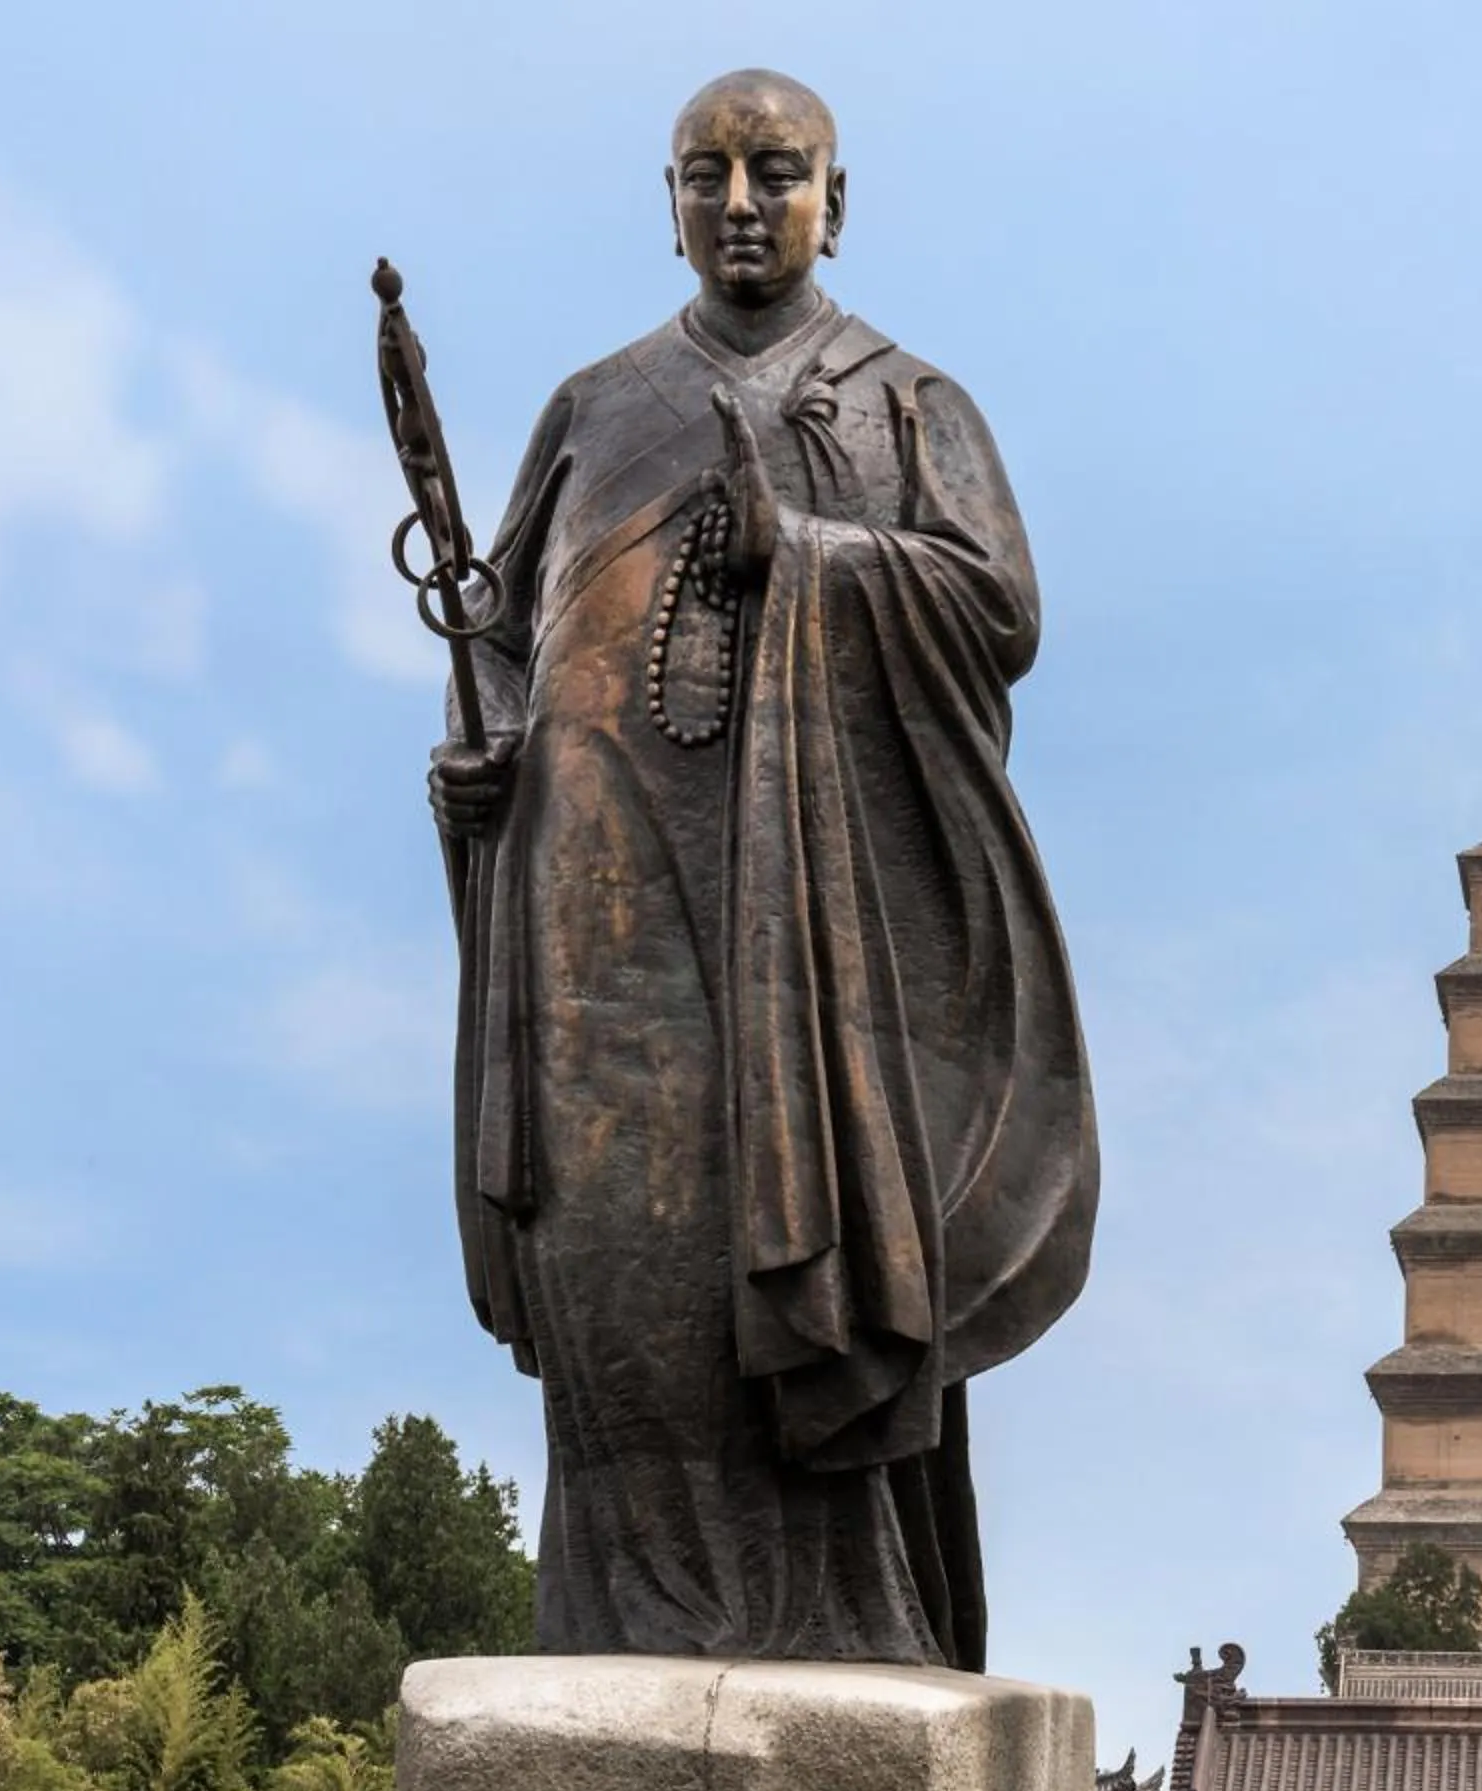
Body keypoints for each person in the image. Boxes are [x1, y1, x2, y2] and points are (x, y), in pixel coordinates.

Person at [424, 69, 1096, 1670]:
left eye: (775, 171)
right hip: (597, 910)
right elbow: (502, 642)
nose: (740, 201)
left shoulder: (900, 399)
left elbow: (997, 608)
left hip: (817, 930)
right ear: (665, 200)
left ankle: (836, 1624)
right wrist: (482, 760)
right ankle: (625, 1619)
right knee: (616, 1242)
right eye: (706, 173)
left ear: (834, 202)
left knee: (798, 1237)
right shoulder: (594, 408)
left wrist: (801, 551)